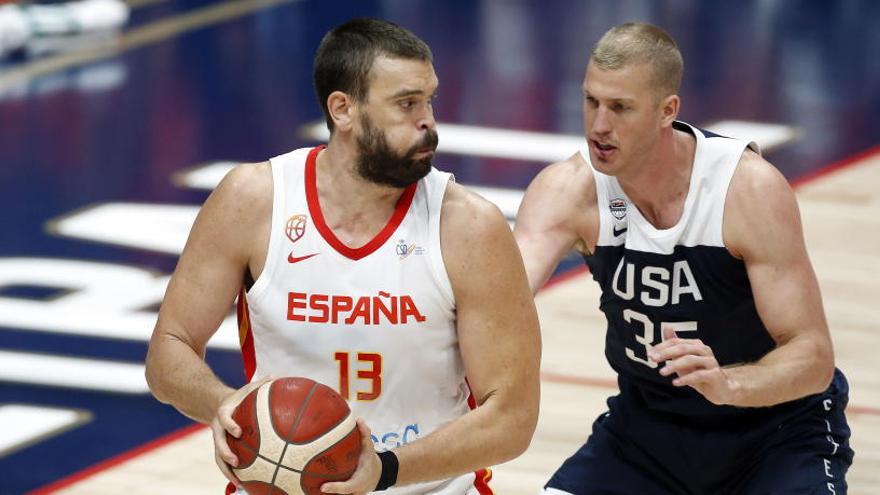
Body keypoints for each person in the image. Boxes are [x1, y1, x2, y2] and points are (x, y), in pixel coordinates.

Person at [145, 17, 541, 495]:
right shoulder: (254, 200)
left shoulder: (470, 227)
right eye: (406, 104)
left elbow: (512, 419)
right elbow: (169, 349)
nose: (429, 122)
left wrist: (385, 470)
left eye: (429, 100)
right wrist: (223, 408)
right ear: (343, 109)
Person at [514, 22, 853, 494]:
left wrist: (729, 385)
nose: (599, 125)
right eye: (591, 101)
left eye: (620, 108)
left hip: (774, 433)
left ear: (666, 111)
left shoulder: (747, 189)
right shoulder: (569, 190)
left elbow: (812, 357)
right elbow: (496, 302)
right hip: (646, 433)